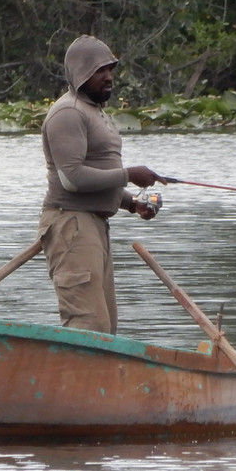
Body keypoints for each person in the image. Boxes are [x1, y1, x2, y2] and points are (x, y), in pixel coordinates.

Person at [37, 34, 171, 335]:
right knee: (88, 326)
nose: (109, 76)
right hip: (71, 225)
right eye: (100, 70)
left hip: (94, 225)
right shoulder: (68, 113)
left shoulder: (93, 110)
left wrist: (131, 203)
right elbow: (72, 179)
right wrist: (128, 174)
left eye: (110, 69)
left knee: (106, 328)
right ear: (81, 74)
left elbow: (96, 175)